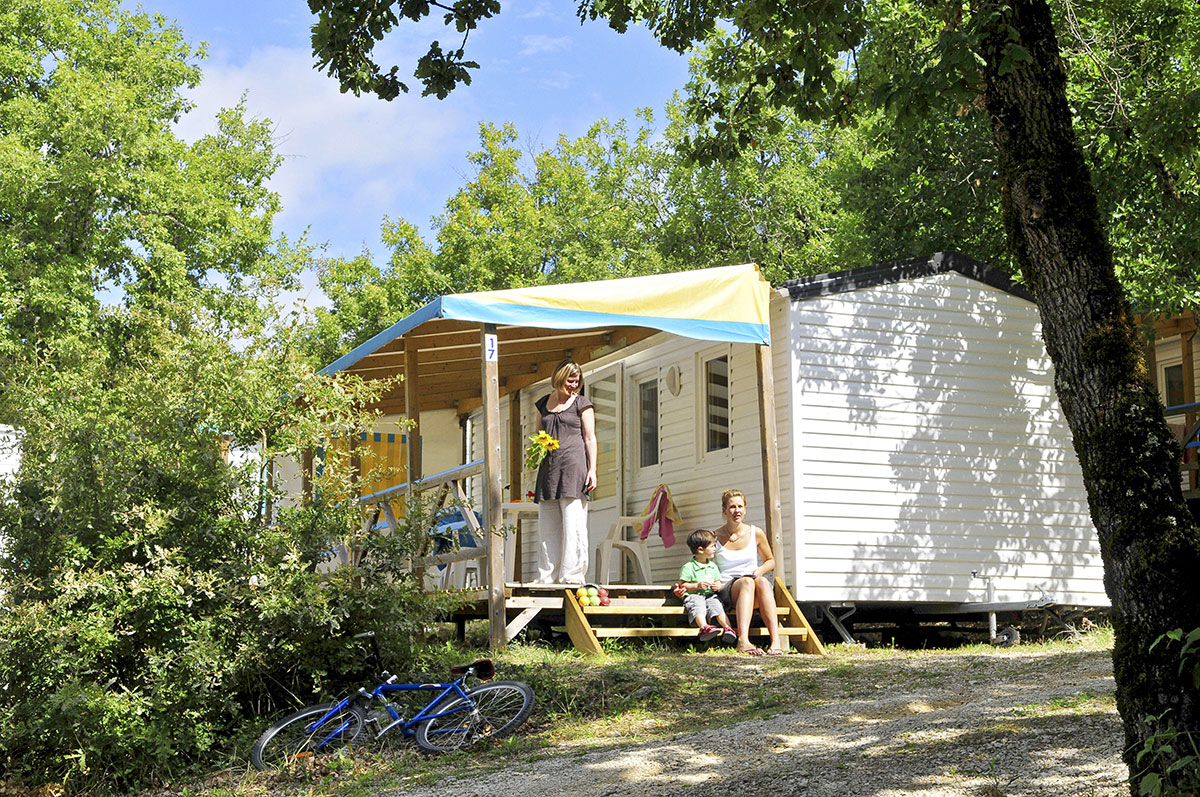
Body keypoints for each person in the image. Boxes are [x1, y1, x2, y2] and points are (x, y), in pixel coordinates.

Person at [532, 359, 597, 584]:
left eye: (577, 381)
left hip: (574, 467)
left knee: (573, 524)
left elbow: (590, 438)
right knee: (547, 527)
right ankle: (546, 577)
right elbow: (537, 437)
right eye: (570, 380)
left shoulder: (582, 403)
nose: (573, 385)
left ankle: (572, 575)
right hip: (549, 470)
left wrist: (593, 469)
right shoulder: (542, 404)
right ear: (559, 378)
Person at [714, 488, 785, 655]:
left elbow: (770, 561)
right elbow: (705, 563)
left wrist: (759, 570)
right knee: (747, 582)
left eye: (740, 506)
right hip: (728, 589)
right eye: (732, 507)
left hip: (753, 586)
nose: (736, 511)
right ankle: (743, 640)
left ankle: (776, 641)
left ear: (745, 509)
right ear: (724, 510)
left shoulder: (756, 532)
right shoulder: (715, 536)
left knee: (762, 581)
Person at [674, 529, 737, 644]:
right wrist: (697, 585)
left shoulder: (712, 566)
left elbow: (718, 581)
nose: (715, 549)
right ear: (700, 550)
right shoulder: (689, 567)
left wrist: (718, 586)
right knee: (698, 605)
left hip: (710, 595)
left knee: (717, 606)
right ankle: (704, 627)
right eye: (712, 546)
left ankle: (728, 628)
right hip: (694, 595)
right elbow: (684, 585)